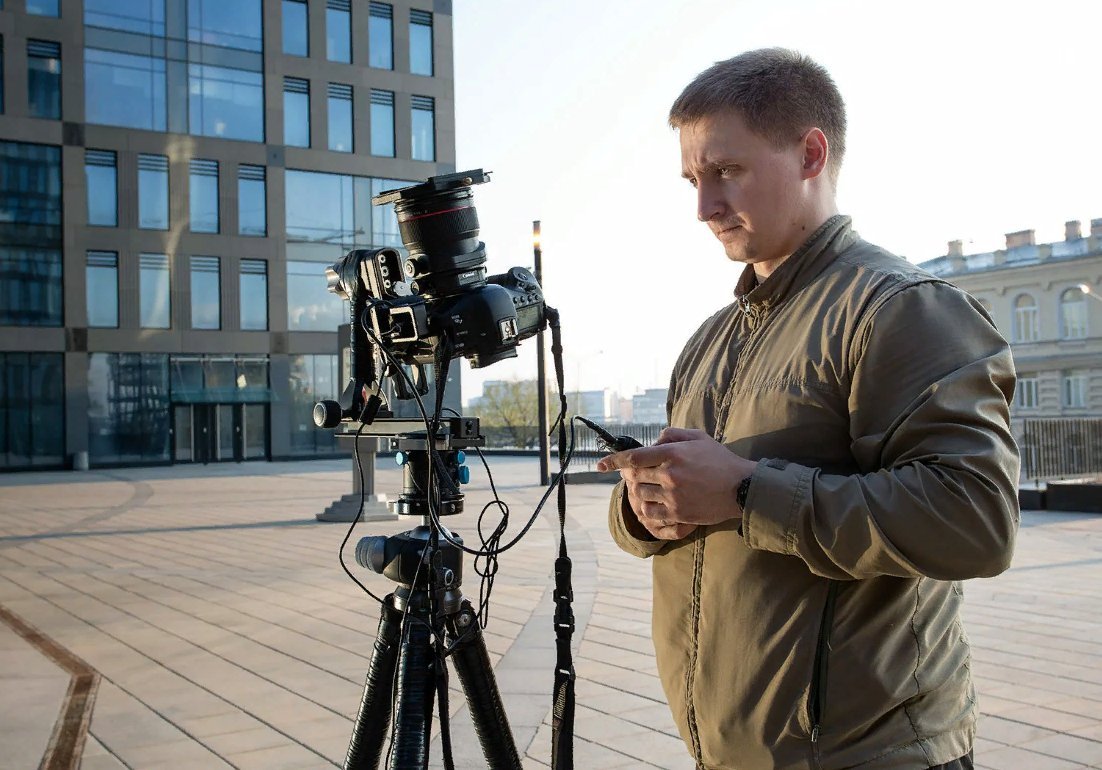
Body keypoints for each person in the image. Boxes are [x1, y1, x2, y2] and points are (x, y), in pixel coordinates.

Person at [597, 48, 1019, 770]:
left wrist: (742, 492)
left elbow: (975, 521)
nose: (704, 208)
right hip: (731, 752)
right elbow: (693, 506)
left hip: (872, 754)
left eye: (726, 171)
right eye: (694, 180)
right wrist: (643, 509)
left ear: (810, 154)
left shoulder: (900, 309)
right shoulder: (710, 338)